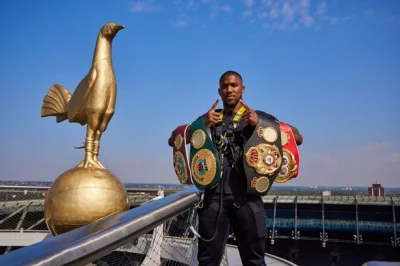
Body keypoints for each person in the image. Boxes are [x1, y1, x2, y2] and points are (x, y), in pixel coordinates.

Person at [168, 70, 303, 266]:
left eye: (234, 85)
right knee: (207, 261)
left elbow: (297, 137)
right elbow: (173, 139)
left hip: (248, 199)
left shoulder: (257, 117)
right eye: (225, 86)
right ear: (219, 91)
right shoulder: (211, 118)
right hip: (214, 200)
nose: (229, 89)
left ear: (242, 89)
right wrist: (201, 124)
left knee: (255, 261)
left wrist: (260, 126)